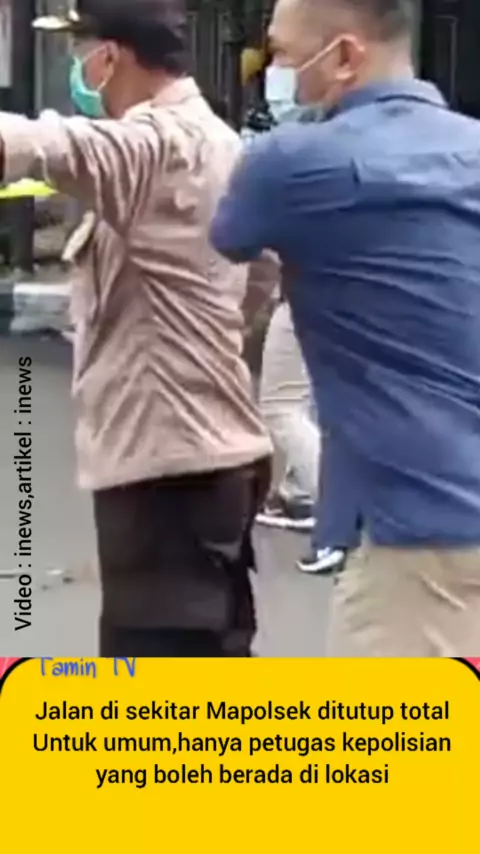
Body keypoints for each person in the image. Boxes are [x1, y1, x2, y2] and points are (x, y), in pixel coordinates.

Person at [211, 0, 480, 656]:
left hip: (418, 537)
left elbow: (231, 236)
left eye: (280, 53)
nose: (272, 69)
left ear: (345, 56)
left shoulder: (291, 161)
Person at [5, 0, 273, 657]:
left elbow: (51, 144)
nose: (76, 67)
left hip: (167, 477)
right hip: (208, 461)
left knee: (156, 692)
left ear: (110, 56)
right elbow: (261, 274)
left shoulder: (157, 142)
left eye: (78, 50)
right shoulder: (220, 141)